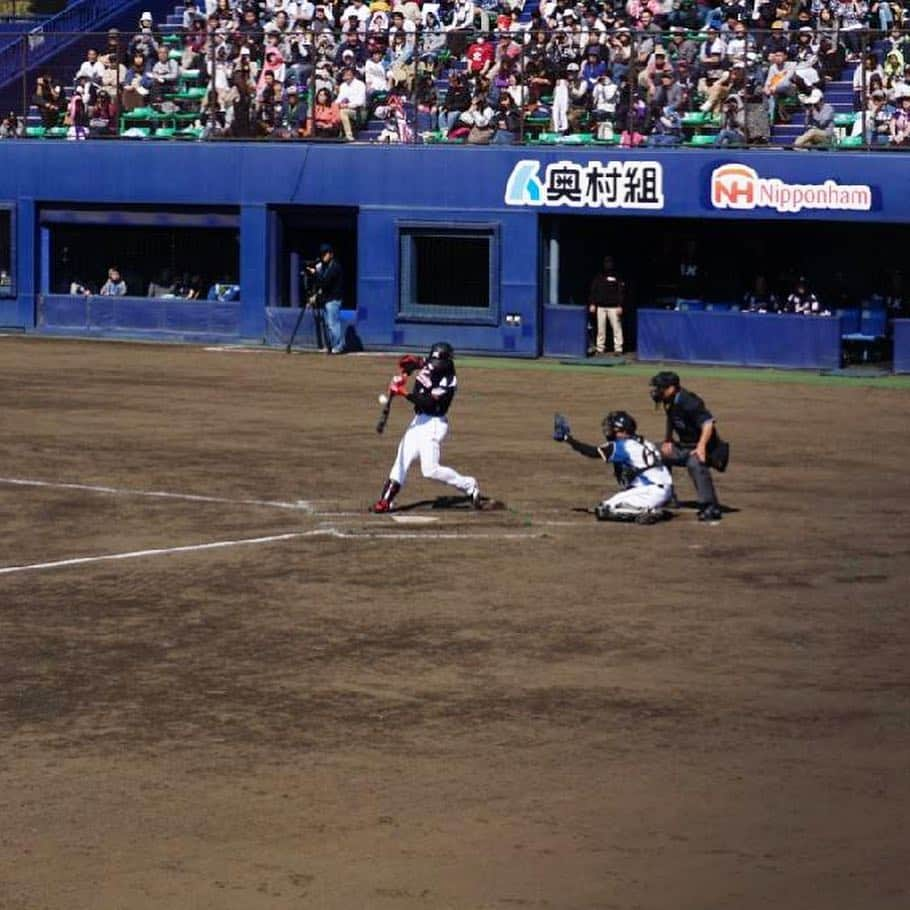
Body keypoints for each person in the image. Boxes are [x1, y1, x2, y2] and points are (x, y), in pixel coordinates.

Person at [370, 343, 480, 513]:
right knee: (402, 458)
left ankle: (469, 485)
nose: (432, 365)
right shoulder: (431, 362)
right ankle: (385, 501)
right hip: (418, 421)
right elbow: (414, 364)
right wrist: (405, 374)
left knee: (429, 470)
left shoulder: (448, 380)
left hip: (434, 424)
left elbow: (427, 403)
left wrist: (403, 392)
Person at [552, 410, 673, 524]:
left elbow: (592, 452)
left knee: (605, 509)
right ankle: (650, 506)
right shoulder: (644, 442)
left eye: (613, 429)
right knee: (613, 502)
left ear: (623, 431)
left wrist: (568, 439)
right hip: (662, 489)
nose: (609, 431)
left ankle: (649, 511)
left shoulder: (624, 446)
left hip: (651, 491)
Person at [649, 371, 729, 522]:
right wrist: (668, 440)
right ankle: (667, 496)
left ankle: (710, 506)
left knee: (695, 463)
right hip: (684, 446)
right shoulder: (670, 400)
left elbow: (708, 423)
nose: (656, 391)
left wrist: (701, 447)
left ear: (671, 388)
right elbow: (671, 419)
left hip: (707, 449)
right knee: (655, 452)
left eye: (660, 387)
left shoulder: (689, 401)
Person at [305, 243, 344, 353]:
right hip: (327, 299)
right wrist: (315, 296)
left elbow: (325, 282)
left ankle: (338, 346)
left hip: (334, 300)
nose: (323, 257)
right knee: (327, 324)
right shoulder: (325, 266)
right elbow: (321, 286)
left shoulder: (335, 267)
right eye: (322, 255)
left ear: (331, 254)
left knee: (333, 324)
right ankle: (330, 346)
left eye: (325, 254)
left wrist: (316, 273)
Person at [587, 255, 626, 355]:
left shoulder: (617, 276)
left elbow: (621, 291)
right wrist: (592, 303)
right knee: (601, 329)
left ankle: (618, 348)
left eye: (609, 262)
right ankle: (600, 348)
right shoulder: (599, 276)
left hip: (614, 307)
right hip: (601, 307)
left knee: (616, 328)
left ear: (612, 264)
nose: (608, 264)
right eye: (606, 262)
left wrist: (620, 305)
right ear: (604, 264)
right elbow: (593, 291)